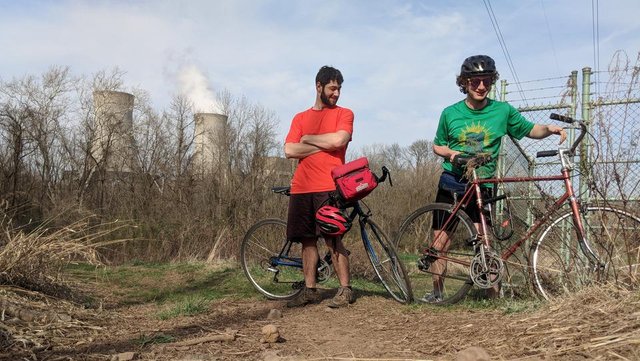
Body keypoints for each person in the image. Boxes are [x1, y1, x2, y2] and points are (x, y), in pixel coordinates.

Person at [427, 54, 567, 302]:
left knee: (485, 241)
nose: (481, 86)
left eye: (487, 81)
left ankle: (493, 296)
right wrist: (451, 152)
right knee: (440, 242)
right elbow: (438, 146)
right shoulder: (450, 113)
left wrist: (549, 129)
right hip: (452, 181)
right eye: (475, 81)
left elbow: (529, 130)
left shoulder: (502, 111)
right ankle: (437, 292)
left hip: (483, 184)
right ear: (464, 83)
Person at [283, 65, 355, 308]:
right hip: (302, 186)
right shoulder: (300, 118)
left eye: (339, 89)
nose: (337, 93)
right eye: (333, 88)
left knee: (333, 239)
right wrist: (325, 145)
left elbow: (340, 139)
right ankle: (310, 289)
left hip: (329, 186)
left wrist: (308, 140)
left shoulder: (344, 113)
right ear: (318, 87)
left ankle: (345, 290)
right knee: (307, 241)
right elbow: (289, 150)